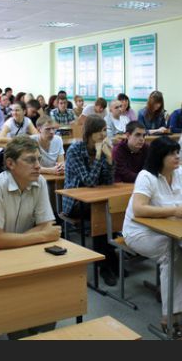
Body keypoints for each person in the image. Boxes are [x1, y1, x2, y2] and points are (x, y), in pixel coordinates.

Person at [0, 135, 61, 339]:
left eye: (38, 159)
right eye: (30, 160)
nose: (38, 165)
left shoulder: (40, 182)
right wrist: (42, 235)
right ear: (10, 164)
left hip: (20, 251)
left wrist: (21, 238)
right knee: (17, 300)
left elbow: (46, 225)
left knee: (51, 292)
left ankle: (37, 334)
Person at [122, 136, 182, 338]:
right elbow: (139, 209)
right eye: (171, 154)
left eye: (177, 152)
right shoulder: (146, 176)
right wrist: (174, 210)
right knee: (173, 253)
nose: (177, 157)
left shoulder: (181, 173)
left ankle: (172, 295)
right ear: (159, 157)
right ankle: (171, 316)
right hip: (139, 232)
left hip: (172, 230)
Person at [62, 115, 118, 285]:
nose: (103, 134)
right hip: (74, 202)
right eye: (100, 131)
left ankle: (110, 258)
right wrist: (100, 157)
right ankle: (106, 265)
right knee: (102, 214)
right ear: (90, 133)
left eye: (105, 130)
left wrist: (109, 159)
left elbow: (108, 182)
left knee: (112, 210)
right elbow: (89, 181)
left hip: (95, 200)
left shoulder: (101, 149)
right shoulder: (75, 150)